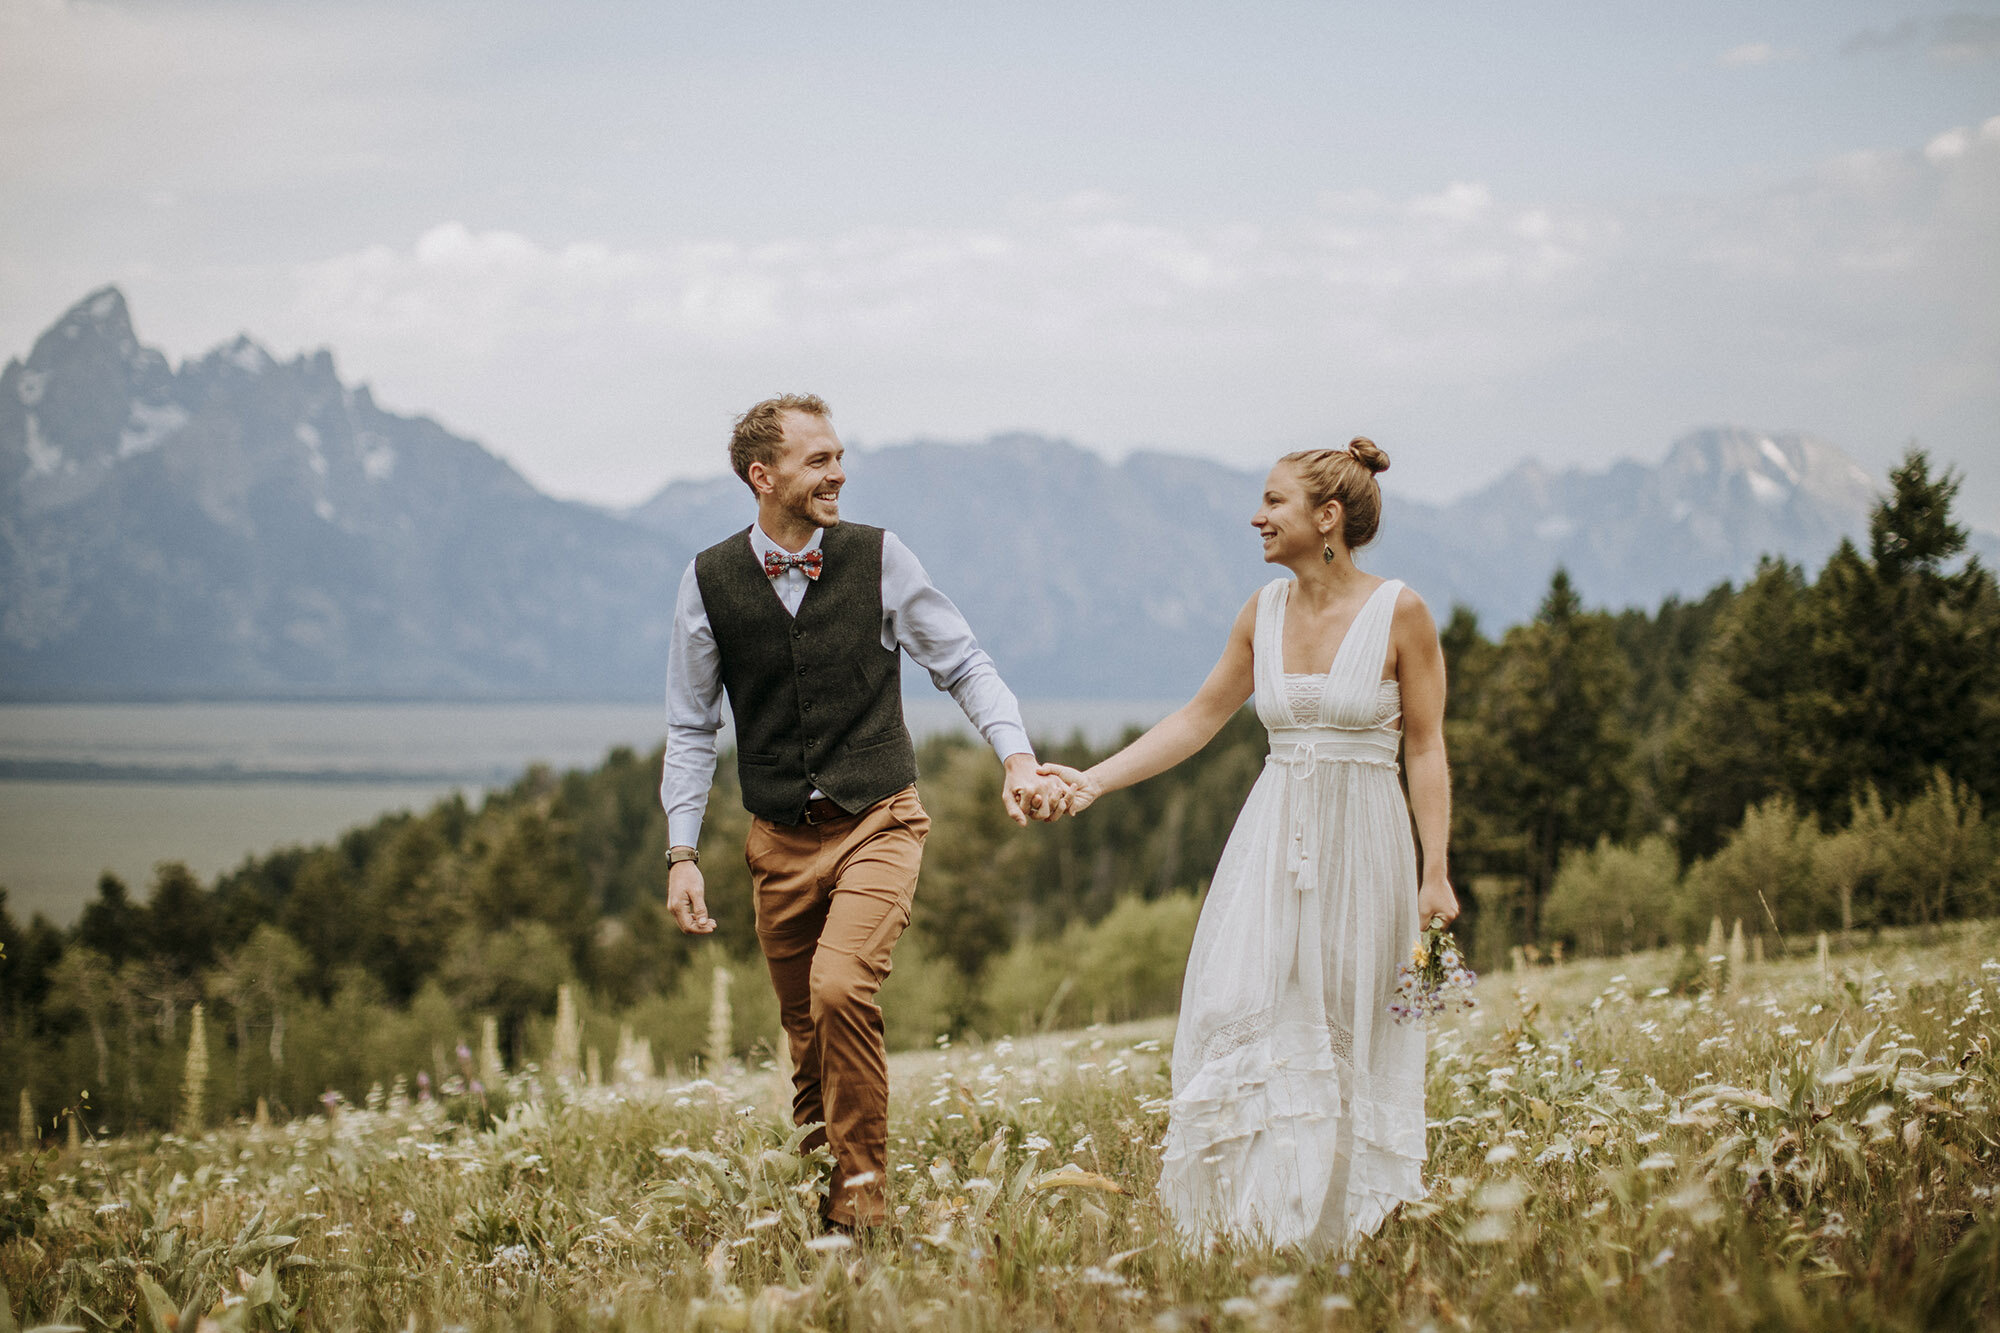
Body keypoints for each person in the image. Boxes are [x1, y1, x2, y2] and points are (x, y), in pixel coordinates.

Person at [660, 393, 1069, 1232]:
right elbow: (691, 728)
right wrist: (682, 851)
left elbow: (964, 661)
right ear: (761, 475)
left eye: (840, 455)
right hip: (776, 839)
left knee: (842, 988)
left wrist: (1016, 754)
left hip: (880, 818)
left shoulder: (881, 559)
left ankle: (865, 1204)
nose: (839, 472)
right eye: (819, 460)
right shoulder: (707, 583)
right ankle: (821, 1203)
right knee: (805, 1034)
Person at [1040, 437, 1457, 1250]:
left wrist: (1434, 870)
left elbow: (1428, 747)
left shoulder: (1399, 612)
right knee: (1252, 1010)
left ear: (1326, 517)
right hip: (1271, 842)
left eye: (1274, 502)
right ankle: (1255, 1227)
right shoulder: (1259, 612)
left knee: (1346, 1025)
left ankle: (1341, 1232)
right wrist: (1091, 780)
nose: (1256, 516)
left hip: (1366, 845)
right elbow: (1198, 718)